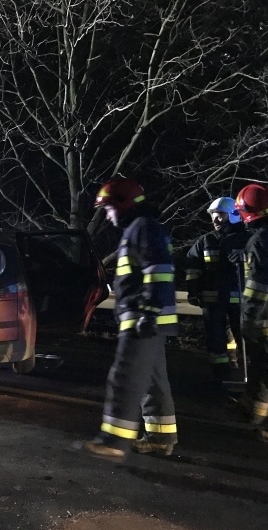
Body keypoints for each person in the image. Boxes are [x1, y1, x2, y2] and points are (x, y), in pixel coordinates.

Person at [83, 177, 179, 460]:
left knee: (125, 377)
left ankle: (114, 440)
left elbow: (159, 270)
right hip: (151, 319)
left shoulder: (141, 228)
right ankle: (161, 438)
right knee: (152, 379)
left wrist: (148, 312)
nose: (108, 215)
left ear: (123, 204)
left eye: (109, 208)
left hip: (142, 319)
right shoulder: (146, 227)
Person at [185, 197, 249, 383]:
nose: (215, 220)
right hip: (212, 302)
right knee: (215, 341)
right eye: (213, 215)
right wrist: (193, 291)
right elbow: (192, 268)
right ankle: (220, 377)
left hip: (242, 302)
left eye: (220, 215)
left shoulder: (248, 240)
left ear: (234, 215)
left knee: (246, 340)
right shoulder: (206, 241)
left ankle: (254, 378)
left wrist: (244, 257)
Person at [233, 184, 268, 433]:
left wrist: (247, 318)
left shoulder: (260, 241)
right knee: (263, 370)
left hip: (265, 319)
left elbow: (259, 287)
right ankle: (255, 412)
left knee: (267, 369)